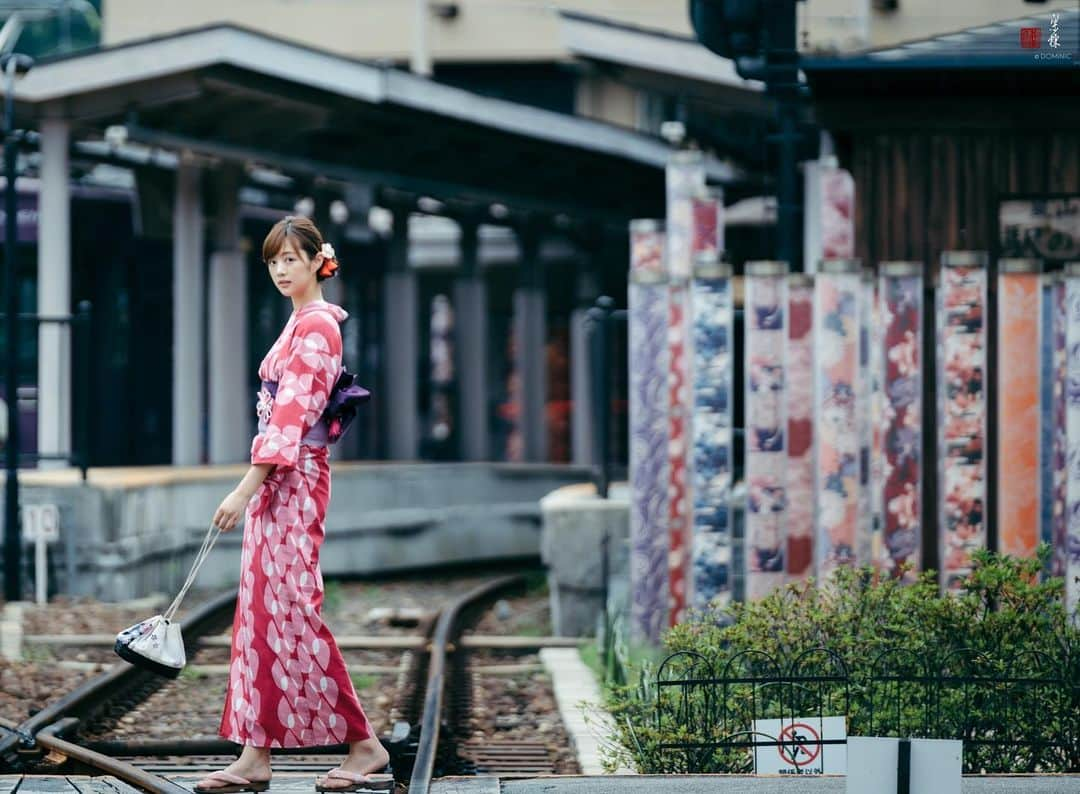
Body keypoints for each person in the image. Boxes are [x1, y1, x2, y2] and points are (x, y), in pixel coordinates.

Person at [194, 216, 392, 794]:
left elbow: (290, 419)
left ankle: (364, 745)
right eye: (274, 261)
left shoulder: (317, 330)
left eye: (291, 259)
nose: (282, 270)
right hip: (280, 484)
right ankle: (255, 756)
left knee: (292, 612)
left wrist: (243, 487)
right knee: (261, 616)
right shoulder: (301, 324)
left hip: (292, 483)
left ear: (315, 261)